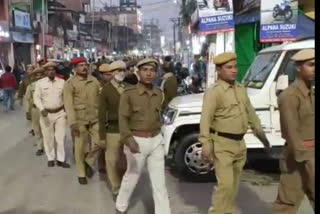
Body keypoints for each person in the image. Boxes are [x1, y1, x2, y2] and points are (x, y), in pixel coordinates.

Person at [199, 52, 271, 214]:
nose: (234, 71)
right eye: (229, 67)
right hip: (222, 144)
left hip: (240, 144)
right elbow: (205, 119)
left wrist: (263, 139)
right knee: (225, 185)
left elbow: (251, 116)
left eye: (235, 67)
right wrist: (205, 143)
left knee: (234, 186)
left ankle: (227, 211)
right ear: (218, 70)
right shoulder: (214, 92)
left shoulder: (240, 89)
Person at [115, 58, 171, 214]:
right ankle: (121, 207)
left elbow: (161, 115)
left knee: (159, 183)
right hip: (136, 141)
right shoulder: (129, 94)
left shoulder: (159, 93)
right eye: (145, 70)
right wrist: (128, 140)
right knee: (131, 177)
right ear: (138, 72)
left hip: (155, 141)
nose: (149, 73)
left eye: (152, 70)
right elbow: (123, 118)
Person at [272, 49, 315, 213]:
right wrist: (308, 161)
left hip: (311, 154)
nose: (314, 68)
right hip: (299, 157)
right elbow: (291, 132)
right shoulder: (290, 96)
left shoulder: (311, 93)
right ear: (298, 67)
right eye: (310, 65)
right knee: (287, 204)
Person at [63, 57, 101, 185]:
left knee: (100, 143)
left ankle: (89, 161)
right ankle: (81, 173)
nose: (84, 67)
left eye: (85, 65)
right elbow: (68, 104)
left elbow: (100, 99)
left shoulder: (94, 81)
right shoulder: (70, 83)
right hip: (79, 120)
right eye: (80, 65)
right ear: (75, 68)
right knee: (79, 148)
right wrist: (72, 123)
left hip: (95, 118)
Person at [98, 60, 127, 201]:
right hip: (112, 131)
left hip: (128, 130)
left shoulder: (129, 88)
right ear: (112, 73)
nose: (121, 73)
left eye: (123, 70)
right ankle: (116, 188)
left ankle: (124, 185)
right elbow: (102, 115)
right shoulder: (106, 90)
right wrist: (102, 136)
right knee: (112, 160)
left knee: (125, 161)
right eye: (117, 70)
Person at [33, 62, 70, 168]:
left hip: (60, 113)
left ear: (55, 70)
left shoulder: (62, 82)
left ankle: (60, 159)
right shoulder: (40, 83)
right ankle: (50, 158)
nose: (51, 71)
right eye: (48, 69)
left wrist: (67, 112)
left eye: (53, 69)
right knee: (48, 137)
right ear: (45, 72)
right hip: (46, 114)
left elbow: (66, 97)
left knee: (61, 137)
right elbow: (36, 98)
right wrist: (42, 108)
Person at [25, 67, 46, 155]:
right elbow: (27, 98)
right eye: (37, 75)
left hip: (47, 109)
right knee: (37, 129)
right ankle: (40, 147)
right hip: (35, 110)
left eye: (41, 75)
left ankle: (50, 146)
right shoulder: (31, 86)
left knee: (47, 129)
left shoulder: (49, 85)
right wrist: (28, 111)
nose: (39, 77)